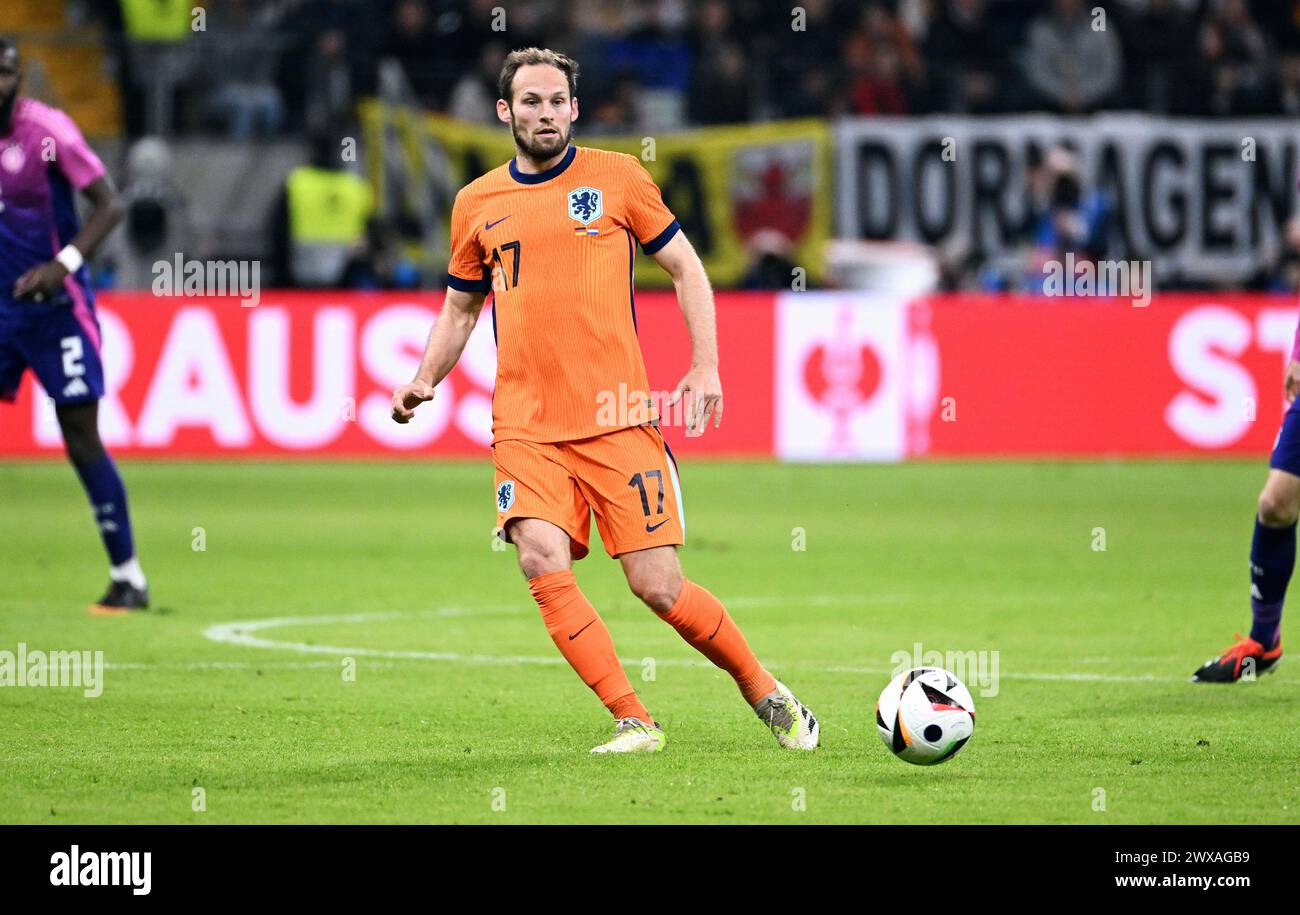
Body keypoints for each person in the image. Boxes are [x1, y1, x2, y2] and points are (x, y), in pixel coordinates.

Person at [391, 47, 818, 753]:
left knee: (658, 586)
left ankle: (765, 691)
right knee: (538, 558)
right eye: (530, 102)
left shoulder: (617, 179)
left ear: (574, 108)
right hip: (525, 423)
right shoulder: (476, 202)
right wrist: (425, 377)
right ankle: (634, 718)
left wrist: (705, 367)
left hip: (618, 418)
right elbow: (461, 310)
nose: (545, 113)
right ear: (506, 112)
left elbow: (686, 267)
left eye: (556, 101)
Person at [0, 37, 148, 613]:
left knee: (81, 436)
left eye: (6, 72)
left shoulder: (49, 132)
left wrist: (61, 268)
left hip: (56, 312)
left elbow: (109, 204)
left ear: (19, 78)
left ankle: (128, 577)